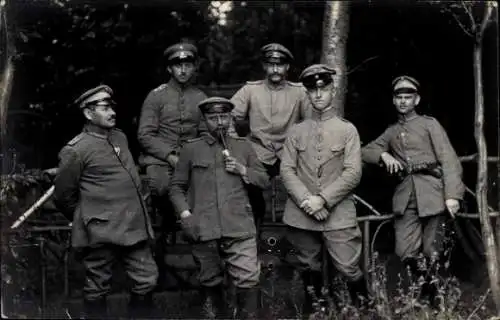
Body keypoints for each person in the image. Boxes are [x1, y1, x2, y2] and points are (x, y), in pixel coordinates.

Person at [53, 85, 158, 319]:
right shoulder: (76, 150)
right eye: (105, 107)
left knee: (147, 279)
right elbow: (63, 195)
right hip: (101, 232)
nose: (112, 111)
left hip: (133, 226)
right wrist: (88, 218)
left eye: (112, 106)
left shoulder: (119, 136)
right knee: (97, 284)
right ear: (88, 114)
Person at [362, 75, 465, 305]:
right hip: (406, 196)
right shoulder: (390, 132)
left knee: (432, 251)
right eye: (399, 97)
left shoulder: (430, 124)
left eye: (408, 97)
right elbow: (365, 151)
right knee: (404, 250)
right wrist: (383, 154)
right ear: (393, 101)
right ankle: (431, 292)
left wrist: (452, 196)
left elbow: (449, 160)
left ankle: (433, 299)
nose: (403, 102)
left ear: (416, 100)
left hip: (433, 193)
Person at [169, 97, 269, 319]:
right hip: (204, 228)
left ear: (230, 118)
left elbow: (264, 180)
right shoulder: (191, 149)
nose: (220, 122)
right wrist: (186, 215)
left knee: (248, 280)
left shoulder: (243, 147)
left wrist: (243, 170)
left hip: (238, 226)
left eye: (224, 116)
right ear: (204, 120)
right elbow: (176, 188)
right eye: (213, 118)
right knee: (209, 281)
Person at [280, 64, 368, 316]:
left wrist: (323, 200)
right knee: (309, 267)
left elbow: (353, 172)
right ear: (307, 94)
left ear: (332, 89)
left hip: (338, 213)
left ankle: (364, 312)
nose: (318, 95)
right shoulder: (296, 132)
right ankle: (315, 314)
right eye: (312, 90)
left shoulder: (347, 130)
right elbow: (287, 170)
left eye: (323, 88)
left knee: (348, 267)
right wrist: (308, 200)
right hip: (302, 213)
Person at [137, 41, 207, 287]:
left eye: (188, 65)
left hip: (189, 159)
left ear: (194, 67)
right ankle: (166, 226)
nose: (183, 70)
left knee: (203, 194)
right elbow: (145, 135)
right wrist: (169, 156)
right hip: (160, 160)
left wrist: (190, 157)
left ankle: (200, 262)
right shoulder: (155, 96)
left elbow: (203, 132)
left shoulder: (200, 97)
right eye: (178, 66)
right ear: (170, 69)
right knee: (161, 187)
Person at [230, 42, 311, 230]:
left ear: (287, 67)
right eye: (271, 64)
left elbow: (312, 124)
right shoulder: (250, 90)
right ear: (264, 66)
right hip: (258, 151)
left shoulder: (299, 92)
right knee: (248, 186)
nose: (275, 69)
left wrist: (302, 146)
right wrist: (237, 144)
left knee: (304, 186)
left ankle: (298, 236)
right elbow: (227, 116)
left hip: (289, 152)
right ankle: (252, 234)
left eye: (280, 64)